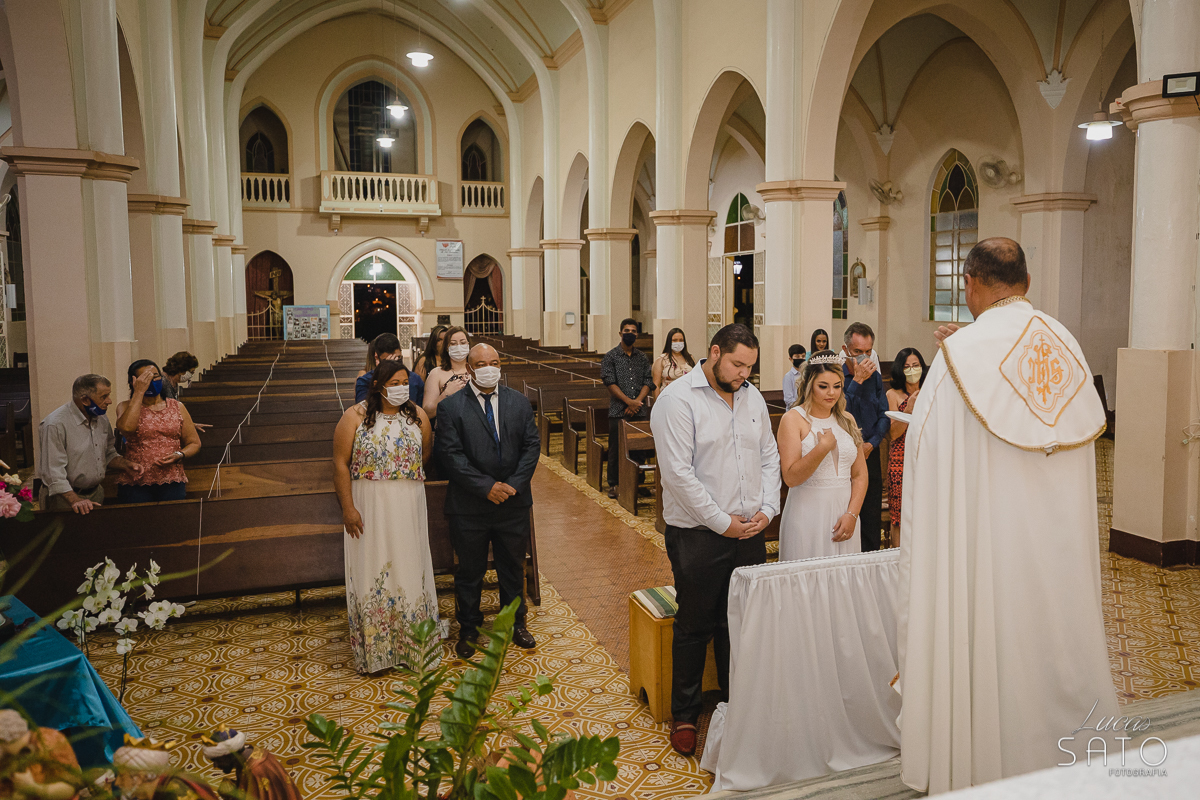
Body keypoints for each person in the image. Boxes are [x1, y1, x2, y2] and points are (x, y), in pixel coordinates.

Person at [898, 238, 1116, 792]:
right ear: (1026, 280)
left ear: (969, 283)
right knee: (1057, 633)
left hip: (989, 554)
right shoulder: (1064, 342)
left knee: (991, 635)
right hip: (1057, 550)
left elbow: (925, 453)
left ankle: (982, 759)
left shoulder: (958, 359)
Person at [650, 323, 780, 757]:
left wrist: (768, 508)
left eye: (750, 367)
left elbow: (768, 455)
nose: (744, 373)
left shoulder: (753, 397)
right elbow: (678, 474)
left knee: (739, 621)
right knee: (695, 623)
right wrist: (721, 521)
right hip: (698, 534)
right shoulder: (677, 400)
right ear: (715, 352)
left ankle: (734, 702)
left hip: (749, 529)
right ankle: (685, 713)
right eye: (737, 364)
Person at [332, 359, 440, 674]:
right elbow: (340, 463)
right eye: (394, 382)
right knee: (374, 568)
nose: (400, 388)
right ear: (378, 385)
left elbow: (426, 453)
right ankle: (378, 653)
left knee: (410, 566)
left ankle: (415, 649)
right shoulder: (354, 417)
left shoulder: (418, 416)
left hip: (407, 503)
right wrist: (348, 508)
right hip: (369, 505)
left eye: (404, 382)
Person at [435, 343, 541, 660]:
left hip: (512, 502)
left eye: (494, 362)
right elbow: (450, 456)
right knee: (470, 572)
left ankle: (514, 623)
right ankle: (469, 629)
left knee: (512, 567)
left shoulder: (518, 403)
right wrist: (486, 487)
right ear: (469, 368)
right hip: (469, 506)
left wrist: (511, 485)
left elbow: (531, 448)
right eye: (481, 363)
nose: (489, 368)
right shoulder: (452, 407)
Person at [777, 352, 867, 560]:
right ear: (809, 385)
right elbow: (791, 478)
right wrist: (821, 448)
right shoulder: (793, 419)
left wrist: (852, 514)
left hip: (845, 512)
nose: (831, 393)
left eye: (837, 386)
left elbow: (860, 475)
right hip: (808, 513)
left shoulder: (847, 420)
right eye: (823, 386)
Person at [36, 374, 143, 514]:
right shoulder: (55, 424)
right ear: (85, 400)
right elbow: (53, 473)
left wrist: (126, 464)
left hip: (95, 493)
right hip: (64, 497)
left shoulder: (101, 418)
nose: (109, 401)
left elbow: (108, 453)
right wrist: (75, 500)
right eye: (104, 397)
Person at [115, 360, 201, 503]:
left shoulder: (177, 406)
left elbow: (194, 443)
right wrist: (139, 393)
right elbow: (127, 429)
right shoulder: (125, 406)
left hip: (171, 479)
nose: (152, 380)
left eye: (155, 376)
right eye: (146, 377)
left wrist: (179, 454)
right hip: (136, 480)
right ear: (133, 381)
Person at [840, 322, 888, 552]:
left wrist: (872, 443)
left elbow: (884, 416)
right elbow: (839, 413)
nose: (864, 357)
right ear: (846, 349)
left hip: (870, 451)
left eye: (868, 352)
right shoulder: (835, 378)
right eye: (858, 352)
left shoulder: (876, 378)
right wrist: (857, 381)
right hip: (845, 456)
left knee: (871, 518)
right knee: (847, 515)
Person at [600, 318, 655, 499]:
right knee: (616, 448)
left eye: (633, 331)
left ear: (637, 334)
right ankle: (614, 484)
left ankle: (638, 482)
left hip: (639, 410)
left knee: (639, 448)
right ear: (620, 333)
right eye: (626, 330)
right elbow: (610, 382)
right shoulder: (611, 356)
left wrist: (637, 402)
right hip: (618, 410)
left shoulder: (641, 357)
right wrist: (628, 402)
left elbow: (648, 381)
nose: (630, 333)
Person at [885, 347, 927, 549]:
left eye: (916, 365)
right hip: (900, 460)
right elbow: (893, 434)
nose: (912, 370)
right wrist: (908, 409)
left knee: (925, 510)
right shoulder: (893, 394)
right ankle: (898, 559)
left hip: (927, 457)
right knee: (899, 514)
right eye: (907, 366)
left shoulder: (931, 392)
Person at [201, 729, 301, 800]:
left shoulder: (256, 771)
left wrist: (231, 795)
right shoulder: (249, 756)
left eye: (218, 760)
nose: (216, 765)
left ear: (231, 754)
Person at [355, 332, 425, 407]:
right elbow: (362, 409)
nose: (393, 366)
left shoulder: (415, 379)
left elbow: (419, 410)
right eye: (388, 361)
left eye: (397, 358)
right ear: (377, 358)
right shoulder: (365, 381)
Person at [423, 326, 472, 421]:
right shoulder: (437, 373)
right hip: (448, 428)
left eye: (463, 343)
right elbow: (427, 412)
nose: (459, 346)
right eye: (453, 344)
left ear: (468, 344)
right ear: (446, 348)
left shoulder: (476, 371)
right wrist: (445, 394)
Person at [651, 327, 695, 399]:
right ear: (669, 342)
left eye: (681, 340)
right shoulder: (662, 360)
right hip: (668, 397)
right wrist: (657, 404)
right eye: (675, 340)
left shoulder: (690, 358)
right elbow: (656, 385)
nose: (678, 343)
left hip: (687, 397)